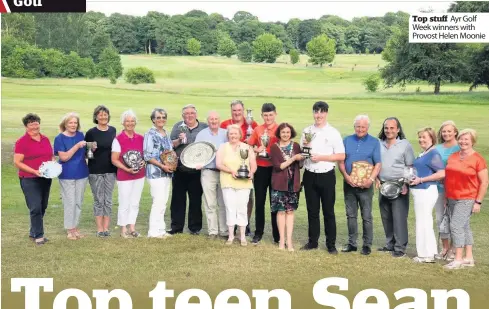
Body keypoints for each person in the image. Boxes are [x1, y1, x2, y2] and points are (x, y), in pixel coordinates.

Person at [300, 101, 345, 254]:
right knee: (312, 211)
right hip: (309, 174)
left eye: (321, 112)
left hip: (326, 174)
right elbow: (303, 153)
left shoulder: (333, 132)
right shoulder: (307, 130)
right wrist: (305, 150)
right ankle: (313, 242)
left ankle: (331, 244)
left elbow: (341, 155)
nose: (318, 115)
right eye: (316, 112)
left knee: (328, 211)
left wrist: (321, 157)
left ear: (326, 113)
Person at [444, 129, 488, 270]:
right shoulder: (453, 156)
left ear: (472, 142)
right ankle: (468, 257)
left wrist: (478, 202)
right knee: (464, 226)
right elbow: (448, 177)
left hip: (467, 197)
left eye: (466, 139)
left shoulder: (478, 159)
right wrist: (446, 196)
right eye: (461, 139)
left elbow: (484, 182)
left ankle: (458, 259)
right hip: (452, 196)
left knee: (456, 226)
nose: (463, 142)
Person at [338, 115, 381, 256]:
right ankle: (352, 244)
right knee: (351, 215)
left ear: (367, 127)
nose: (360, 129)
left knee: (366, 215)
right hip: (349, 183)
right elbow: (341, 161)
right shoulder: (347, 140)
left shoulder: (374, 142)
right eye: (358, 126)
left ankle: (367, 245)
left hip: (366, 186)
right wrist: (346, 176)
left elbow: (378, 163)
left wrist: (371, 179)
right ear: (354, 127)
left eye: (363, 127)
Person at [376, 117, 415, 258]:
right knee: (386, 216)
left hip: (399, 185)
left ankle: (400, 247)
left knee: (399, 217)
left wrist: (406, 183)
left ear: (398, 129)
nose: (389, 131)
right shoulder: (379, 144)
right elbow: (376, 163)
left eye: (392, 128)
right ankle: (390, 244)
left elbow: (409, 166)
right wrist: (376, 178)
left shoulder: (405, 145)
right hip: (383, 185)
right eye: (386, 128)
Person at [14, 113, 54, 245]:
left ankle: (33, 232)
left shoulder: (45, 139)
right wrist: (34, 171)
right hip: (29, 178)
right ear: (26, 126)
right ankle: (39, 235)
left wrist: (53, 166)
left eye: (36, 122)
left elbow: (50, 156)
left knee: (43, 206)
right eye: (31, 123)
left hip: (45, 178)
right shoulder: (22, 142)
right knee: (35, 206)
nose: (34, 125)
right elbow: (17, 162)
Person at [168, 104, 208, 235]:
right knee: (178, 200)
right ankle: (176, 227)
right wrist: (179, 140)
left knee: (195, 200)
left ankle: (194, 227)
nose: (189, 115)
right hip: (179, 169)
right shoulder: (178, 126)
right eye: (186, 113)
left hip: (196, 171)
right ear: (182, 116)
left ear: (196, 115)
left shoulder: (203, 128)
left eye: (192, 113)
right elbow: (170, 145)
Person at [220, 99, 258, 236]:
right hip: (229, 168)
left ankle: (245, 224)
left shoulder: (252, 124)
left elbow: (256, 143)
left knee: (247, 199)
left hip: (246, 168)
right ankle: (232, 226)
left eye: (239, 110)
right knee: (230, 200)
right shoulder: (224, 124)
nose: (237, 113)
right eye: (234, 110)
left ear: (243, 111)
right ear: (231, 111)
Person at [216, 124, 257, 246]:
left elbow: (253, 164)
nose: (233, 136)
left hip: (244, 183)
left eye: (235, 133)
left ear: (240, 134)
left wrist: (251, 172)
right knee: (230, 207)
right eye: (231, 133)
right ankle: (231, 236)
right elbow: (218, 164)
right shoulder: (223, 147)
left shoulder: (247, 147)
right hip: (228, 181)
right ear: (228, 135)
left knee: (242, 208)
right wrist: (231, 171)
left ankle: (242, 236)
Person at [409, 128, 445, 263]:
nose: (421, 140)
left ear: (432, 138)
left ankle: (425, 255)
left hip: (426, 190)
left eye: (424, 137)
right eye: (420, 137)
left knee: (423, 221)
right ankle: (430, 252)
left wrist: (421, 180)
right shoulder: (425, 152)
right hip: (420, 191)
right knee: (425, 221)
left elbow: (441, 173)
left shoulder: (433, 153)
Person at [54, 113, 89, 240]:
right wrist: (77, 146)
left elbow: (84, 154)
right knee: (70, 202)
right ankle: (70, 229)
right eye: (70, 123)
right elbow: (64, 157)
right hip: (67, 175)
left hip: (82, 173)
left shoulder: (80, 135)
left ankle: (75, 227)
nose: (73, 125)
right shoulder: (59, 138)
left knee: (78, 202)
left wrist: (92, 149)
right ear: (65, 124)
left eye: (75, 123)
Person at [248, 103, 280, 245]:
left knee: (274, 202)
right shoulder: (257, 129)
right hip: (260, 168)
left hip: (274, 170)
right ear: (262, 116)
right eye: (265, 115)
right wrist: (256, 149)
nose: (268, 117)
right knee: (260, 202)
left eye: (270, 115)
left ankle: (277, 235)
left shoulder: (280, 129)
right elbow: (249, 145)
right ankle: (258, 233)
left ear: (275, 114)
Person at [111, 110, 146, 238]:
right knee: (124, 201)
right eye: (127, 121)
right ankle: (123, 229)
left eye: (132, 121)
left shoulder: (141, 138)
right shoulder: (118, 139)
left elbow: (144, 156)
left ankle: (132, 227)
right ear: (123, 123)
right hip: (124, 176)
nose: (130, 123)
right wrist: (127, 169)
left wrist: (143, 162)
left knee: (135, 202)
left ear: (135, 122)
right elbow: (114, 159)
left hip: (139, 175)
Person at [270, 123, 304, 251]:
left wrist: (302, 157)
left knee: (290, 212)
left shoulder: (296, 146)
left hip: (293, 184)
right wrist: (294, 158)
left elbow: (300, 165)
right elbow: (279, 166)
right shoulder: (274, 147)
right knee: (280, 211)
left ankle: (289, 241)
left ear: (291, 133)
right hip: (279, 184)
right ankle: (281, 240)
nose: (285, 134)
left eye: (288, 132)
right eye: (283, 132)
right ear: (279, 133)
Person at [195, 111, 228, 239]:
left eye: (216, 119)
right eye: (211, 119)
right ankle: (213, 231)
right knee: (210, 203)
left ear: (219, 120)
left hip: (224, 172)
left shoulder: (225, 134)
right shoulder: (202, 134)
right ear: (207, 121)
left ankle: (224, 231)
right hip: (208, 172)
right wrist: (198, 163)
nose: (213, 121)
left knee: (223, 203)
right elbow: (196, 152)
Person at [85, 105, 117, 237]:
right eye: (100, 114)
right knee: (99, 200)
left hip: (110, 170)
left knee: (108, 200)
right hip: (95, 171)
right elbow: (86, 155)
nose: (103, 117)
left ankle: (106, 228)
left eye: (105, 114)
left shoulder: (113, 131)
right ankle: (99, 229)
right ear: (96, 117)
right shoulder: (91, 132)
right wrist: (91, 149)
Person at [143, 108, 174, 239]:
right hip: (156, 173)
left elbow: (169, 150)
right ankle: (153, 231)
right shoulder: (150, 134)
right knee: (158, 201)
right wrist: (162, 166)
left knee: (163, 202)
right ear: (153, 119)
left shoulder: (165, 133)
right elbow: (147, 156)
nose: (161, 119)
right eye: (158, 117)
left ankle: (161, 229)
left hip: (167, 173)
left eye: (163, 117)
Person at [434, 120, 459, 260]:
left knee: (455, 220)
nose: (446, 133)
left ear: (455, 132)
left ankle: (454, 249)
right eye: (444, 131)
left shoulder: (459, 147)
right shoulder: (437, 148)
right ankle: (445, 247)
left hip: (455, 189)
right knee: (440, 219)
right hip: (439, 189)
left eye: (449, 131)